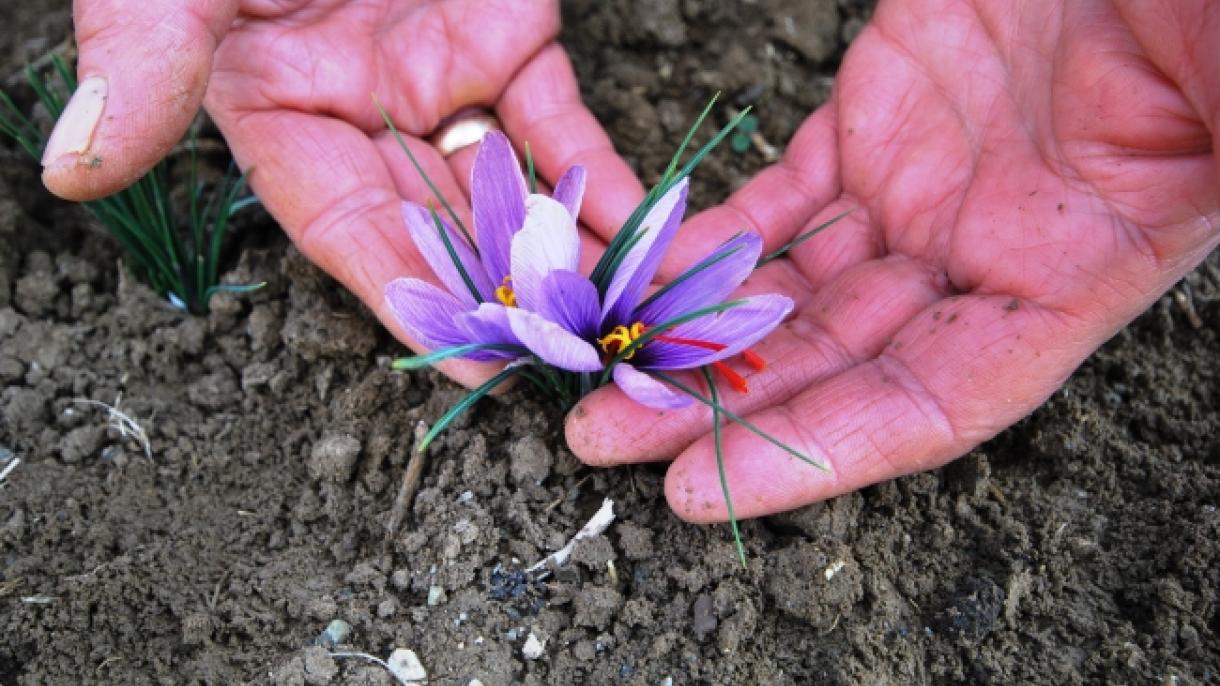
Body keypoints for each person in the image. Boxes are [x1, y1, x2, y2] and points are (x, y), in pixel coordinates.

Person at [43, 0, 1219, 523]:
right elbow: (489, 300)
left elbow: (619, 335)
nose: (588, 332)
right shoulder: (524, 302)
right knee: (516, 296)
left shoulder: (622, 338)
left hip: (618, 333)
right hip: (567, 324)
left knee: (604, 327)